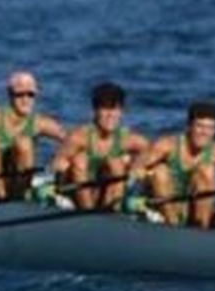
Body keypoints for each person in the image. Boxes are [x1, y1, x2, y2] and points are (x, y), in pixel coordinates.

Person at [130, 101, 215, 228]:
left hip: (194, 212)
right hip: (164, 209)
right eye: (200, 126)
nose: (204, 132)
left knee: (207, 169)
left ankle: (202, 230)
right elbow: (138, 164)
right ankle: (173, 226)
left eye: (210, 128)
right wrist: (138, 170)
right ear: (189, 126)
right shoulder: (167, 145)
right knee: (160, 170)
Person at [0, 70, 66, 199]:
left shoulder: (40, 122)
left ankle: (20, 195)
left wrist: (60, 160)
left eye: (30, 95)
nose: (25, 100)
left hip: (15, 180)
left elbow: (70, 141)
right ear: (10, 95)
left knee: (24, 143)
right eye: (19, 95)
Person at [48, 82, 150, 210]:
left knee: (115, 164)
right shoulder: (79, 138)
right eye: (105, 109)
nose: (110, 115)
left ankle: (111, 213)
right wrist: (62, 167)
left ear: (121, 112)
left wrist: (137, 166)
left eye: (115, 109)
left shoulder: (130, 140)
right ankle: (88, 212)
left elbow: (148, 151)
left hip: (106, 195)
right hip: (76, 196)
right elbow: (56, 165)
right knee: (81, 160)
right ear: (95, 111)